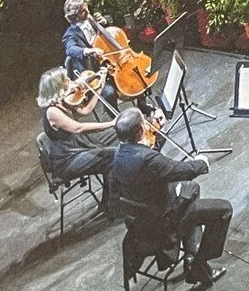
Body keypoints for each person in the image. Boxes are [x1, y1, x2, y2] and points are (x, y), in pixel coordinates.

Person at [111, 107, 231, 288]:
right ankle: (198, 263)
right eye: (144, 121)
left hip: (141, 221)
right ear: (139, 130)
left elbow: (152, 162)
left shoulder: (119, 153)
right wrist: (201, 162)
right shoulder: (150, 161)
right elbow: (180, 170)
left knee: (192, 189)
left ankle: (191, 254)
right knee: (224, 209)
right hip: (164, 223)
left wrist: (157, 134)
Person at [37, 66, 118, 207]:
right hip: (68, 157)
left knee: (118, 136)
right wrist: (111, 123)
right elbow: (78, 128)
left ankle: (115, 195)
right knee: (110, 157)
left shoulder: (63, 101)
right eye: (66, 81)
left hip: (77, 144)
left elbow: (85, 110)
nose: (71, 81)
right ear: (58, 88)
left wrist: (98, 88)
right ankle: (111, 204)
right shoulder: (51, 111)